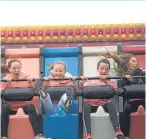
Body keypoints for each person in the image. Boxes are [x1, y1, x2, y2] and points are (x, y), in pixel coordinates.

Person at [1, 59, 46, 139]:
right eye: (14, 68)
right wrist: (5, 83)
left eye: (18, 68)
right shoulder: (6, 79)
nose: (16, 70)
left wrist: (31, 82)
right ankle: (4, 136)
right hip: (11, 106)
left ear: (21, 68)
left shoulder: (26, 78)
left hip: (23, 106)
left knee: (31, 107)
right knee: (4, 107)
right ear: (9, 69)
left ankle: (38, 135)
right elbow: (1, 91)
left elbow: (36, 90)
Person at [80, 59, 124, 139]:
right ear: (98, 69)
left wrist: (106, 82)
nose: (104, 71)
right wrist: (82, 82)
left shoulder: (110, 81)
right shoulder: (91, 80)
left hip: (103, 104)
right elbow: (83, 90)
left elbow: (115, 91)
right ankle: (88, 134)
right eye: (102, 68)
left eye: (106, 69)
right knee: (85, 106)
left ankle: (117, 131)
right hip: (91, 105)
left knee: (111, 104)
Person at [105, 53, 145, 139]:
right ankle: (126, 135)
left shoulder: (141, 73)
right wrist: (125, 80)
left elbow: (141, 84)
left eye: (137, 61)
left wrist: (133, 80)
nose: (136, 63)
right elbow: (120, 90)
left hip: (144, 100)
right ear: (128, 63)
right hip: (133, 102)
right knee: (125, 109)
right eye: (133, 61)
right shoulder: (124, 75)